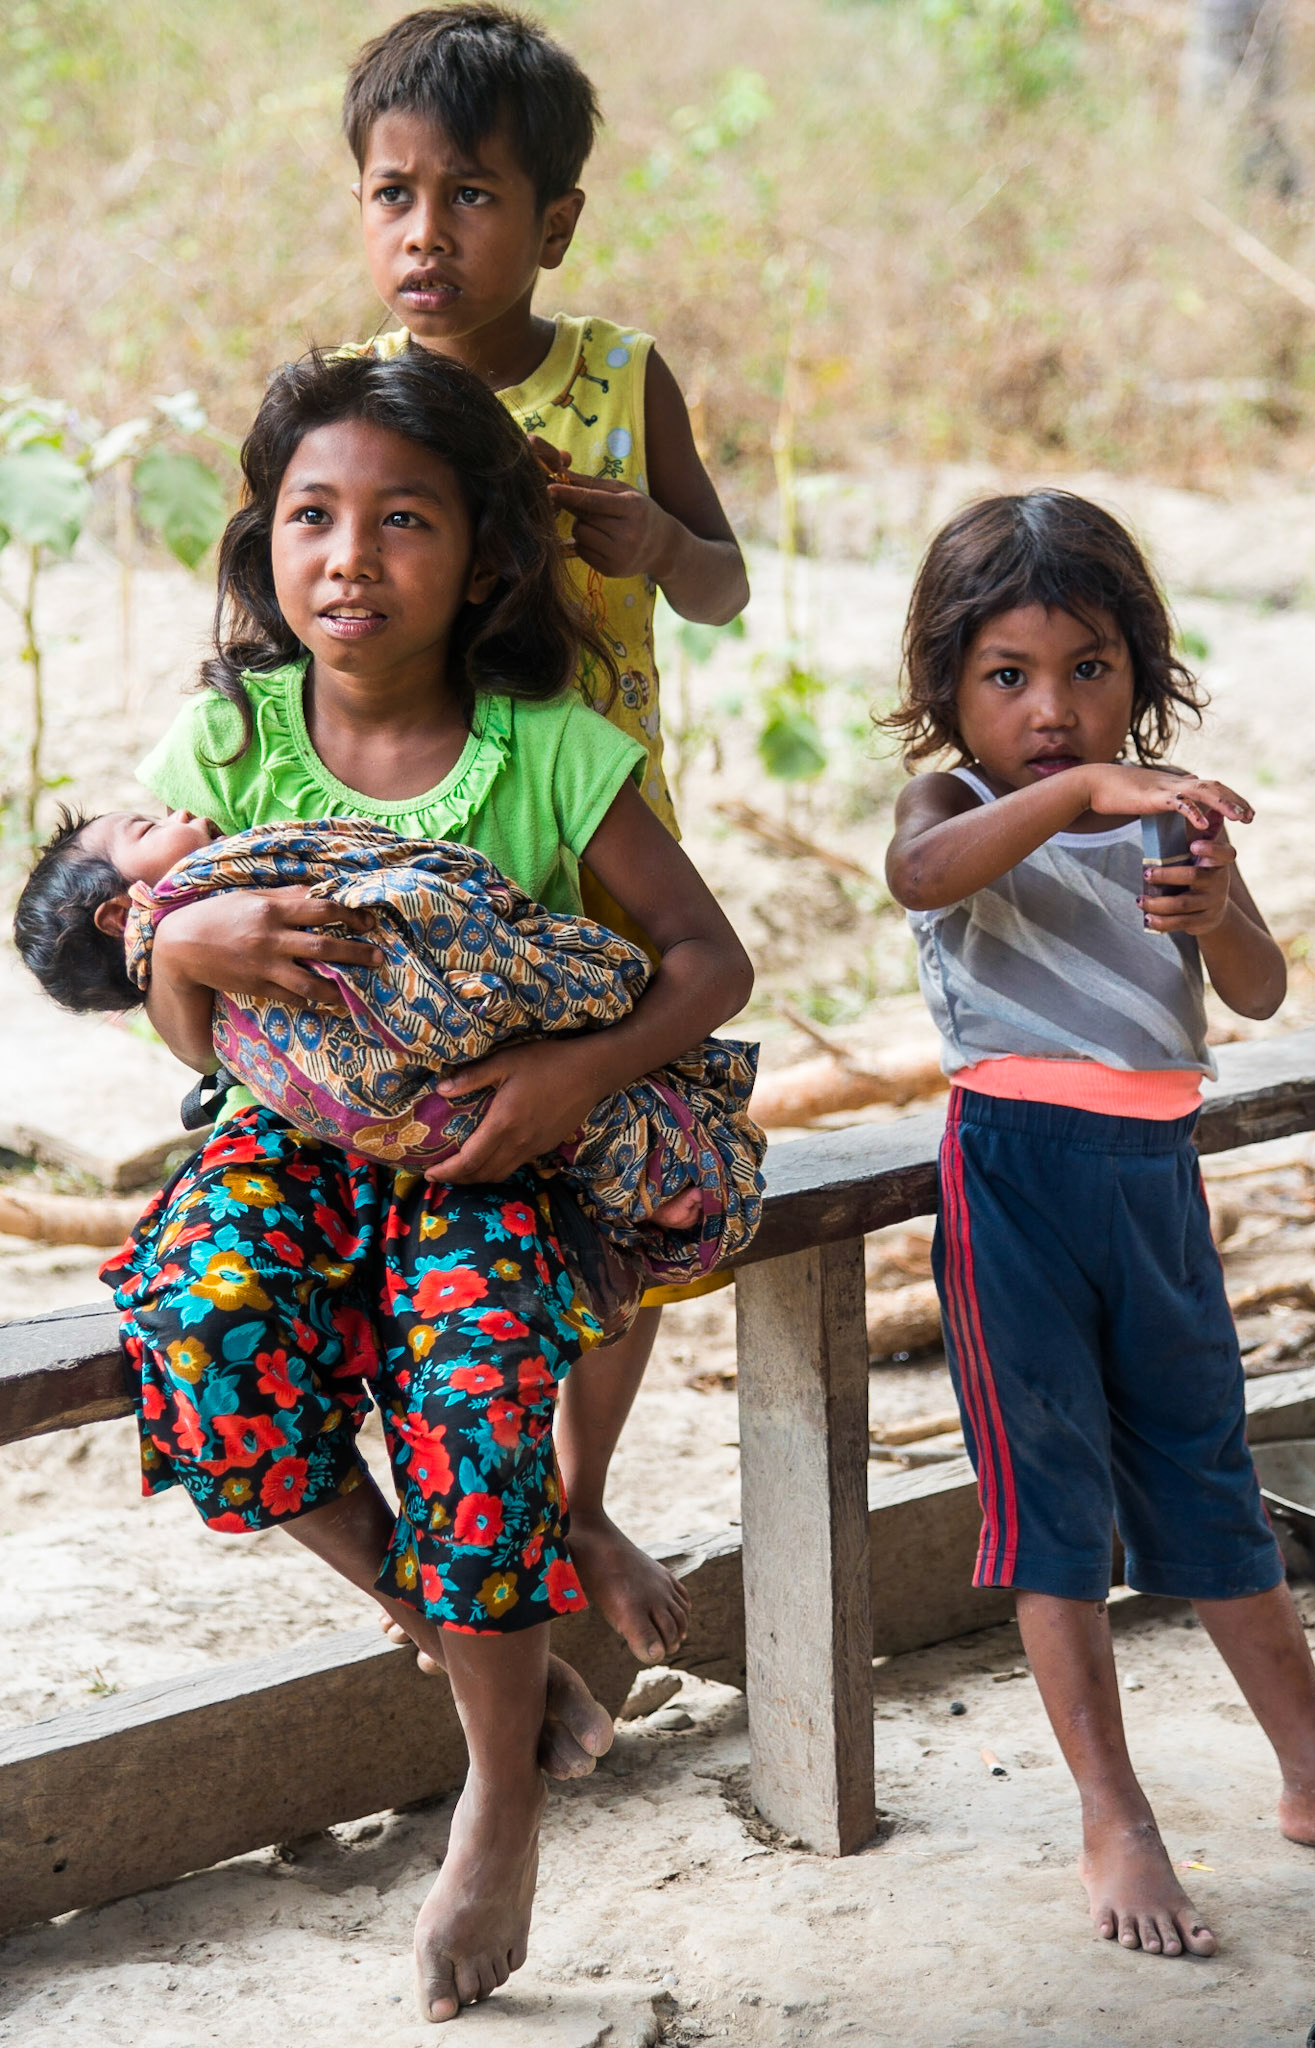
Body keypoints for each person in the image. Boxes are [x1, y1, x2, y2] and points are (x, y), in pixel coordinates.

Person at [96, 345, 753, 2020]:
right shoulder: (225, 740)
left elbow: (708, 962)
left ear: (484, 558)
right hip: (281, 1144)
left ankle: (498, 1803)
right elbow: (182, 1025)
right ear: (263, 543)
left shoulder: (551, 751)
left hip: (483, 1148)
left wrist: (571, 1076)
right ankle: (486, 1667)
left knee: (476, 1382)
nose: (350, 557)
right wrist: (188, 947)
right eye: (312, 516)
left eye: (403, 520)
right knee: (204, 1323)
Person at [884, 487, 1315, 1960]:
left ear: (1138, 672)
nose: (1051, 708)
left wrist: (1215, 908)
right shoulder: (951, 810)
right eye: (1007, 676)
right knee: (1052, 1506)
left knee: (1207, 1469)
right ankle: (1115, 1814)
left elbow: (1258, 990)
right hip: (1013, 1182)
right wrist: (1082, 789)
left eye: (1087, 669)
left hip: (1153, 1181)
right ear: (948, 691)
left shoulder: (1166, 812)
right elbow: (917, 880)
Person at [335, 2, 751, 1671]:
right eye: (393, 195)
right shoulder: (363, 406)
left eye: (472, 196)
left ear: (555, 221)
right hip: (435, 873)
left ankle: (579, 1494)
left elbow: (723, 585)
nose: (426, 235)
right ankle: (482, 1535)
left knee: (620, 1187)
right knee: (461, 1207)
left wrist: (656, 542)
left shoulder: (623, 379)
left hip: (609, 857)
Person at [15, 807, 764, 1289]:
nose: (178, 812)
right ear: (122, 914)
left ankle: (654, 1175)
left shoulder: (224, 878)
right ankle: (654, 1173)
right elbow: (205, 1044)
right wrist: (176, 943)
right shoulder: (199, 889)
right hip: (384, 1117)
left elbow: (347, 870)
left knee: (537, 1125)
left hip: (498, 1086)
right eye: (146, 827)